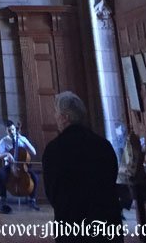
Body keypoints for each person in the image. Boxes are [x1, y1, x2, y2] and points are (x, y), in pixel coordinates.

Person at [42, 92, 121, 228]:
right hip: (106, 221)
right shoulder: (103, 145)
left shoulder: (54, 149)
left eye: (56, 113)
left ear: (65, 117)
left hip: (72, 223)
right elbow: (111, 180)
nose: (55, 117)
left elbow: (52, 192)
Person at [0, 119, 39, 213]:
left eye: (13, 129)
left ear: (15, 129)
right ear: (6, 131)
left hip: (23, 167)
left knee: (35, 178)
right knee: (1, 175)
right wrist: (7, 154)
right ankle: (2, 198)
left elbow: (34, 152)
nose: (12, 132)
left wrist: (24, 141)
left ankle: (32, 200)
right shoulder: (4, 141)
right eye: (9, 130)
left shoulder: (22, 139)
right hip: (10, 166)